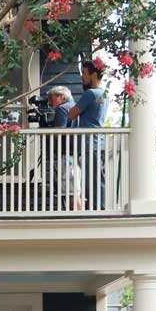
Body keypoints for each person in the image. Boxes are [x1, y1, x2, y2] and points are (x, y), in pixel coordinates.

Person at [69, 61, 109, 209]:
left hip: (88, 143)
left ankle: (96, 209)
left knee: (91, 179)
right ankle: (100, 206)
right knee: (98, 177)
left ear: (94, 75)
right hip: (100, 142)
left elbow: (72, 114)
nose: (82, 77)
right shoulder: (104, 94)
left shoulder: (90, 93)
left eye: (84, 73)